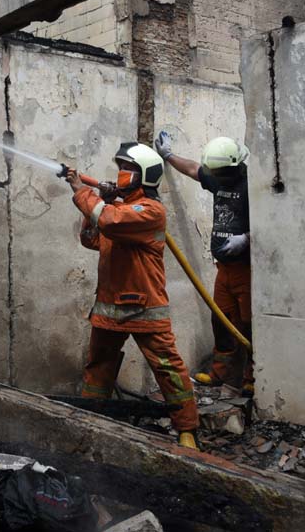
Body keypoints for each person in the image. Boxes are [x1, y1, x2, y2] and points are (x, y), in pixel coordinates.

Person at [65, 142, 199, 449]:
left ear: (145, 175)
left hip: (144, 309)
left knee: (167, 368)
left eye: (128, 169)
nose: (122, 173)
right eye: (121, 168)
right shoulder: (119, 209)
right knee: (98, 367)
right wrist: (101, 199)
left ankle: (188, 429)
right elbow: (90, 238)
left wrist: (81, 191)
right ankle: (92, 420)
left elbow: (110, 221)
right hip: (108, 309)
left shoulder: (150, 211)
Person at [154, 131, 254, 396]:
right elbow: (192, 169)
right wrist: (168, 155)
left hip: (246, 269)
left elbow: (274, 220)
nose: (216, 177)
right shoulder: (217, 177)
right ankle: (219, 373)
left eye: (220, 173)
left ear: (234, 166)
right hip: (224, 268)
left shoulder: (252, 185)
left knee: (249, 324)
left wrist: (247, 238)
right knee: (220, 320)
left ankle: (253, 378)